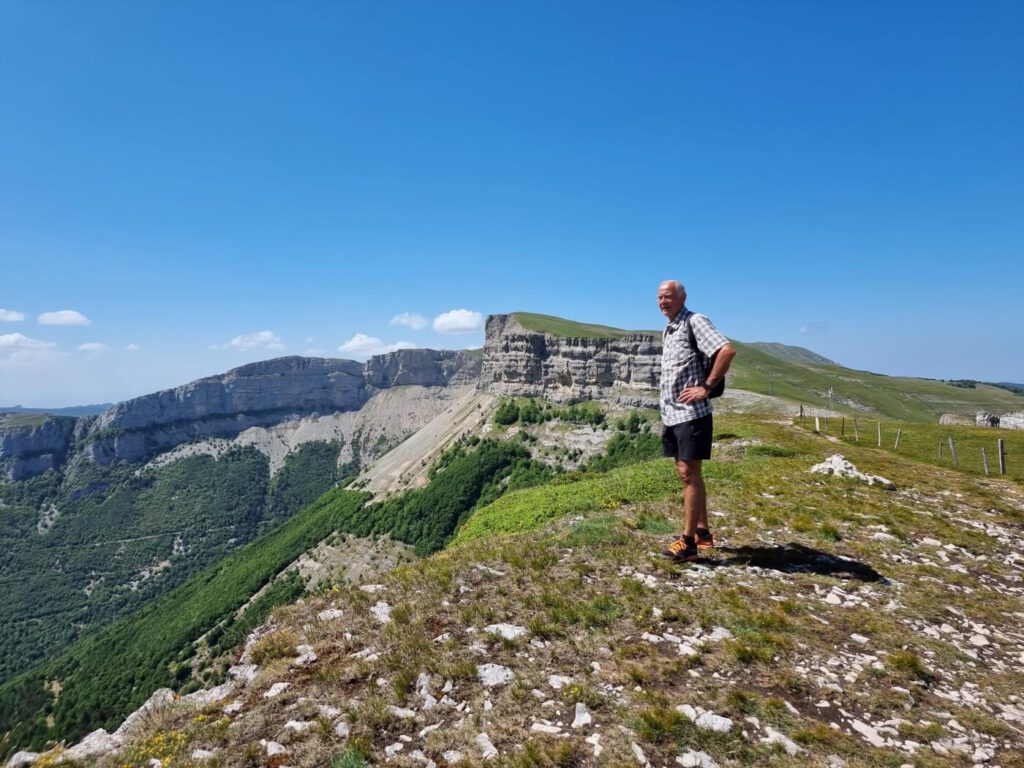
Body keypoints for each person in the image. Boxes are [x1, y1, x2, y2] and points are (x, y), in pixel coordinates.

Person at [657, 280, 736, 562]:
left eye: (668, 297)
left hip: (691, 414)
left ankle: (687, 542)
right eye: (660, 298)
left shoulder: (695, 321)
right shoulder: (670, 328)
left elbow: (726, 350)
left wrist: (707, 386)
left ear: (682, 297)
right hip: (673, 413)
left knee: (689, 474)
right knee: (686, 473)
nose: (663, 302)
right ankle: (702, 533)